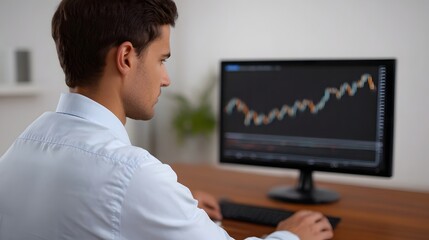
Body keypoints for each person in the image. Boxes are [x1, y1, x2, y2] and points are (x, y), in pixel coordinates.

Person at [0, 0, 333, 239]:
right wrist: (292, 236)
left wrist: (174, 209)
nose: (166, 78)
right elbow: (125, 193)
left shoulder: (17, 149)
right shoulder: (134, 175)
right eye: (162, 60)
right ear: (126, 58)